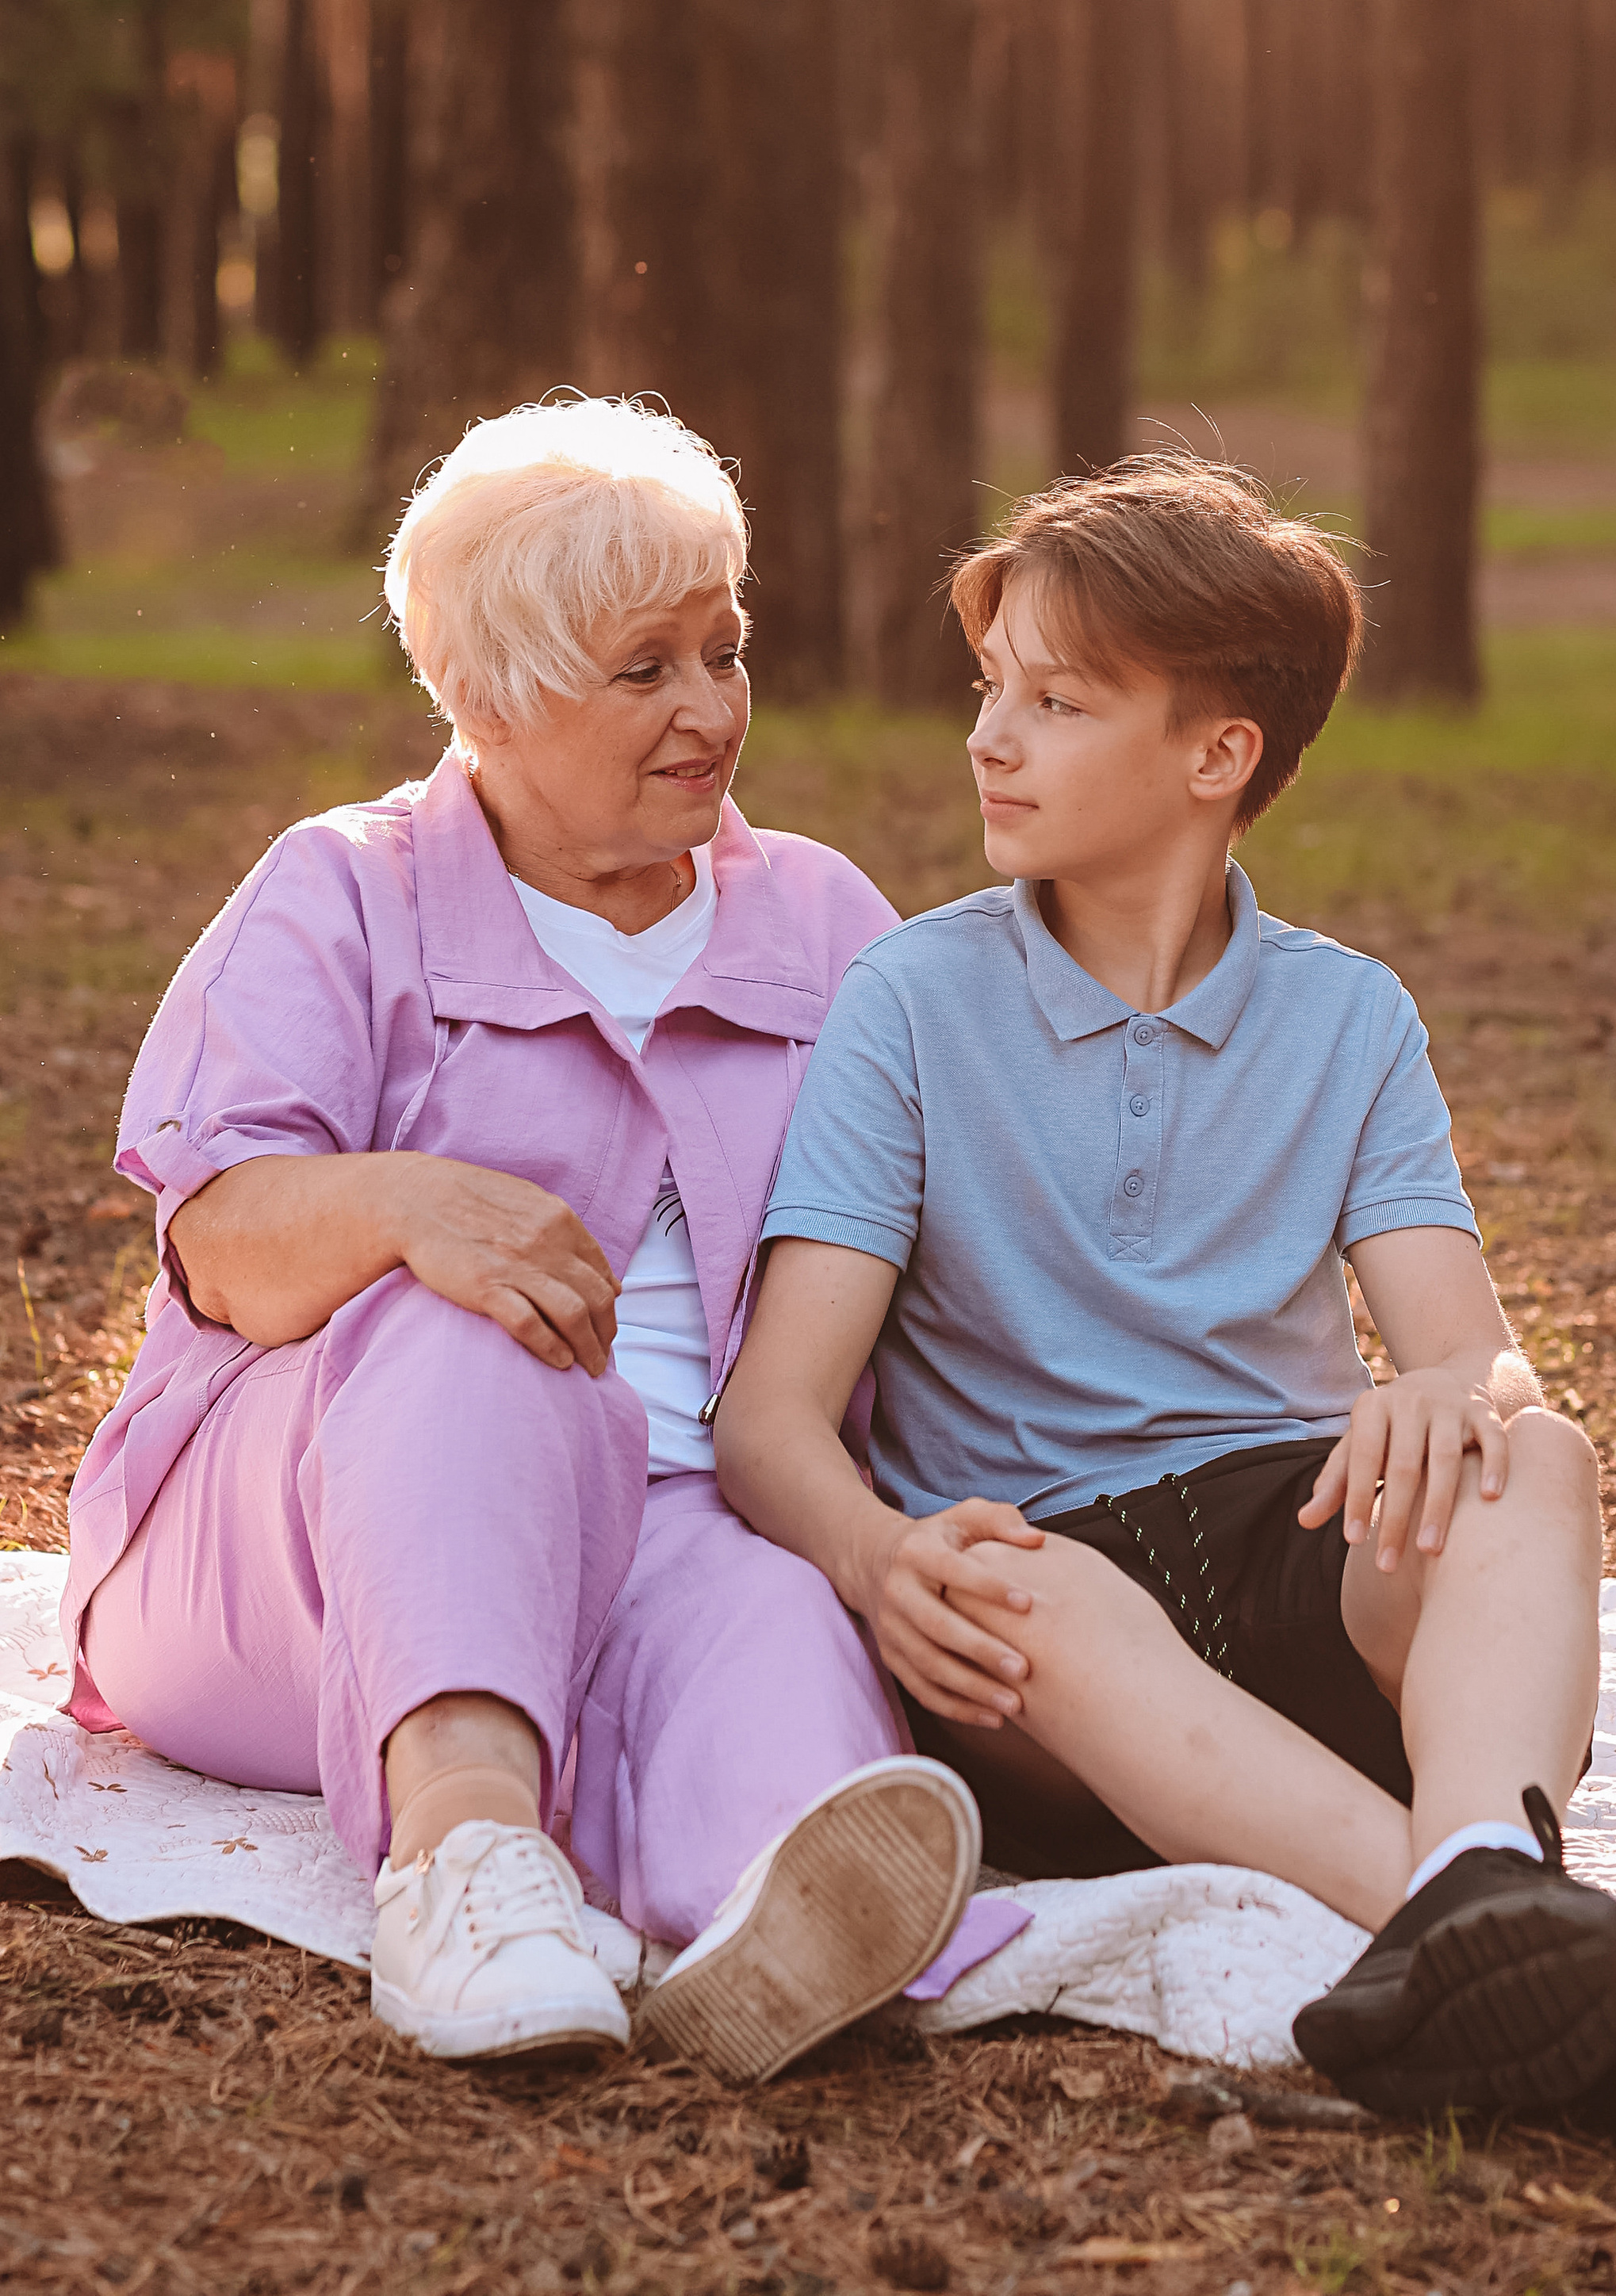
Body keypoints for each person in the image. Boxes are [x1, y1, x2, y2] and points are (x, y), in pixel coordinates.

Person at [714, 457, 1616, 2148]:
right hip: (1042, 1619)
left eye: (1057, 702)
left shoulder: (1348, 1021)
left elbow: (1467, 1349)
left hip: (1284, 1545)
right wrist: (878, 1561)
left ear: (1214, 756)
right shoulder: (910, 1003)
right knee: (1037, 1592)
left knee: (1541, 1461)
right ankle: (1601, 1957)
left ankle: (1483, 1918)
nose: (988, 739)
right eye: (988, 691)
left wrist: (1458, 1396)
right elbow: (771, 1416)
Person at [59, 397, 1012, 2077]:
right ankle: (465, 1862)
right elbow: (223, 1252)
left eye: (722, 650)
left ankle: (765, 1939)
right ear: (483, 697)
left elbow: (958, 1247)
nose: (709, 708)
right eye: (643, 668)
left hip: (678, 1518)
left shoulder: (819, 923)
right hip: (291, 1539)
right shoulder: (339, 889)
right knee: (464, 1330)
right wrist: (409, 1205)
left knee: (784, 1665)